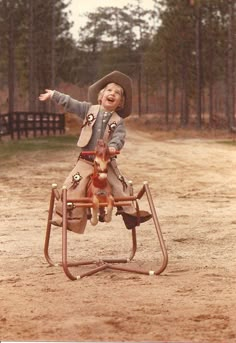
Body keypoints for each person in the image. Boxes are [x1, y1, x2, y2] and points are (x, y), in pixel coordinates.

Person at [39, 70, 152, 234]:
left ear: (120, 103)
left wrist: (113, 146)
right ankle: (65, 217)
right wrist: (55, 95)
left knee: (120, 186)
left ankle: (130, 214)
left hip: (106, 163)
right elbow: (72, 104)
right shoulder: (88, 110)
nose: (112, 94)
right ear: (101, 95)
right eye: (109, 90)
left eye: (117, 93)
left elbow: (119, 137)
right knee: (71, 185)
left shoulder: (118, 121)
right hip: (86, 161)